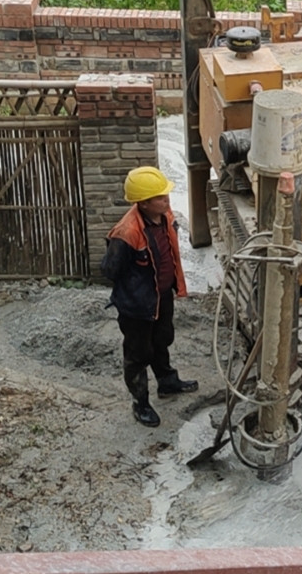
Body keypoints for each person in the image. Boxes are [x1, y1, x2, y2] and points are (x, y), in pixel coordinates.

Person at [101, 166, 199, 427]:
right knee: (138, 354)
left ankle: (167, 382)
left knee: (162, 340)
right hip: (137, 306)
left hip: (161, 296)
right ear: (144, 203)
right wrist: (135, 286)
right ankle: (141, 403)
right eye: (160, 197)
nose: (167, 200)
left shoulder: (164, 216)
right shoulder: (126, 233)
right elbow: (110, 270)